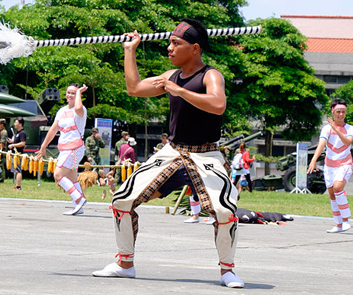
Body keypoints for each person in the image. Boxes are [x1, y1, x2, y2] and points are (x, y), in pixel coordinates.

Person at [92, 18, 243, 288]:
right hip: (172, 151)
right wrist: (130, 50)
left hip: (206, 154)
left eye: (176, 43)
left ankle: (227, 271)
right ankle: (125, 264)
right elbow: (134, 89)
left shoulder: (210, 75)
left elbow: (218, 104)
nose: (169, 48)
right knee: (122, 199)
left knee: (224, 210)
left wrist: (179, 91)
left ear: (195, 49)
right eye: (170, 42)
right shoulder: (169, 77)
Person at [36, 84, 89, 215]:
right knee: (72, 177)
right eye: (68, 92)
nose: (70, 95)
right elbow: (54, 129)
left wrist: (79, 93)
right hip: (65, 148)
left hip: (74, 147)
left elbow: (77, 107)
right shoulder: (61, 111)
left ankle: (79, 198)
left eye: (73, 93)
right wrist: (43, 147)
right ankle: (78, 206)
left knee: (58, 175)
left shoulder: (81, 109)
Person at [308, 98, 353, 233]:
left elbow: (347, 142)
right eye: (338, 112)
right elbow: (322, 144)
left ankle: (346, 219)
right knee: (332, 194)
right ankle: (338, 224)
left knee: (337, 187)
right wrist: (313, 160)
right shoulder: (326, 129)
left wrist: (336, 128)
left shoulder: (350, 128)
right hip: (329, 166)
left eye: (343, 112)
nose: (341, 114)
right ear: (332, 112)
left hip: (345, 164)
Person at [6, 118, 27, 190]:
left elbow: (22, 143)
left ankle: (18, 186)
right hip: (14, 154)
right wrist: (11, 141)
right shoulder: (17, 133)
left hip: (18, 154)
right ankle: (17, 185)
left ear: (20, 124)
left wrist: (13, 145)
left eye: (16, 122)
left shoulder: (22, 133)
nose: (14, 124)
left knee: (18, 170)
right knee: (16, 170)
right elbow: (17, 142)